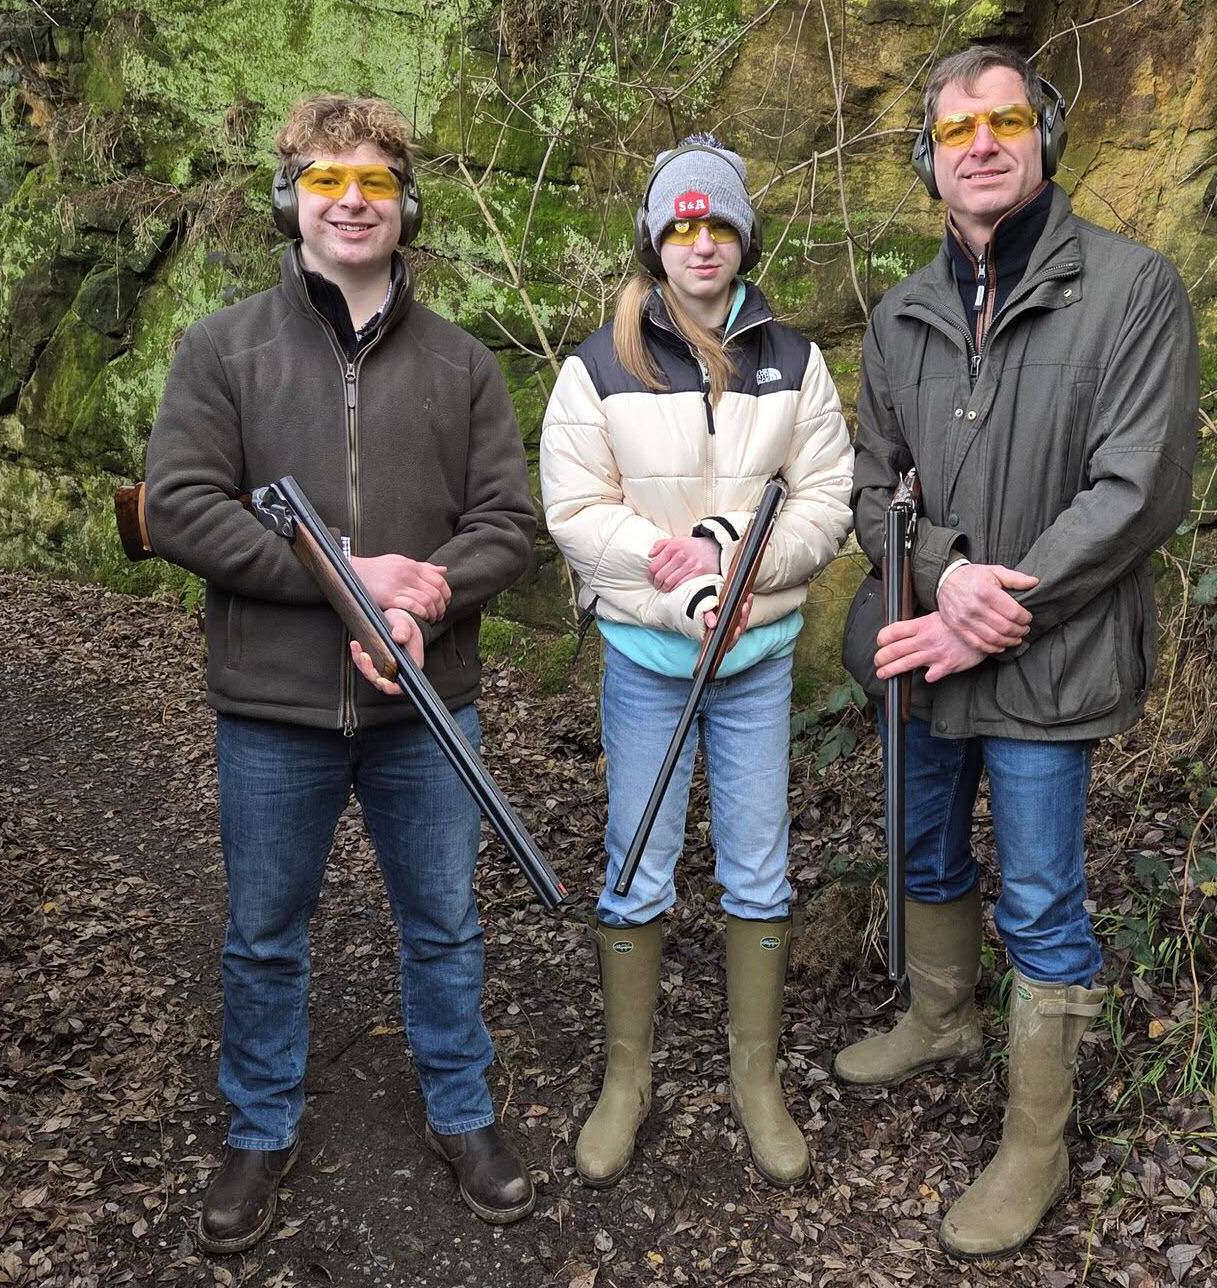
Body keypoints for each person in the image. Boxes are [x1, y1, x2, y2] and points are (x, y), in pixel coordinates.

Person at [143, 94, 538, 1252]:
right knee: (265, 930)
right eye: (326, 180)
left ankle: (462, 1110)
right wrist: (342, 577)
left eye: (374, 182)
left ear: (406, 205)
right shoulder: (223, 349)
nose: (351, 201)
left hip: (428, 703)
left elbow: (507, 526)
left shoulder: (463, 363)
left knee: (446, 922)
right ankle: (260, 1126)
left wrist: (420, 598)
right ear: (291, 200)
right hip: (274, 707)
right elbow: (180, 508)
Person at [835, 46, 1198, 1258]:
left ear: (1044, 135)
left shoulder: (1133, 288)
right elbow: (873, 485)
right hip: (929, 650)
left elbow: (1137, 489)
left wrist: (993, 607)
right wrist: (943, 579)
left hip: (1051, 655)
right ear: (928, 159)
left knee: (1041, 900)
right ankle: (942, 1017)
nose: (981, 145)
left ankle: (1035, 1144)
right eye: (956, 131)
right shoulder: (900, 314)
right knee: (925, 848)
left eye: (1003, 122)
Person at [538, 135, 853, 1190]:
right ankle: (627, 1079)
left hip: (757, 655)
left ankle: (755, 1078)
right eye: (682, 227)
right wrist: (680, 581)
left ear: (744, 237)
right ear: (655, 241)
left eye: (719, 224)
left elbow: (826, 498)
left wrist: (736, 560)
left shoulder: (794, 361)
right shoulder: (599, 366)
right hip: (647, 656)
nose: (701, 243)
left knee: (758, 866)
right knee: (636, 866)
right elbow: (578, 511)